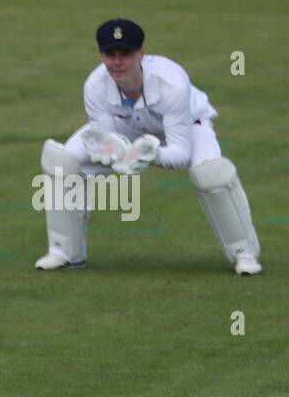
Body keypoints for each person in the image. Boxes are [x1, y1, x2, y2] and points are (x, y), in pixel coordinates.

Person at [36, 18, 262, 275]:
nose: (118, 62)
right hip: (128, 126)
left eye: (126, 54)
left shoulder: (172, 82)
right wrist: (121, 156)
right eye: (110, 54)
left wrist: (149, 154)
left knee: (210, 174)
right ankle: (64, 251)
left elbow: (179, 154)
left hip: (189, 125)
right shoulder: (94, 86)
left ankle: (244, 254)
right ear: (101, 55)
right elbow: (106, 141)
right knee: (62, 161)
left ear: (141, 53)